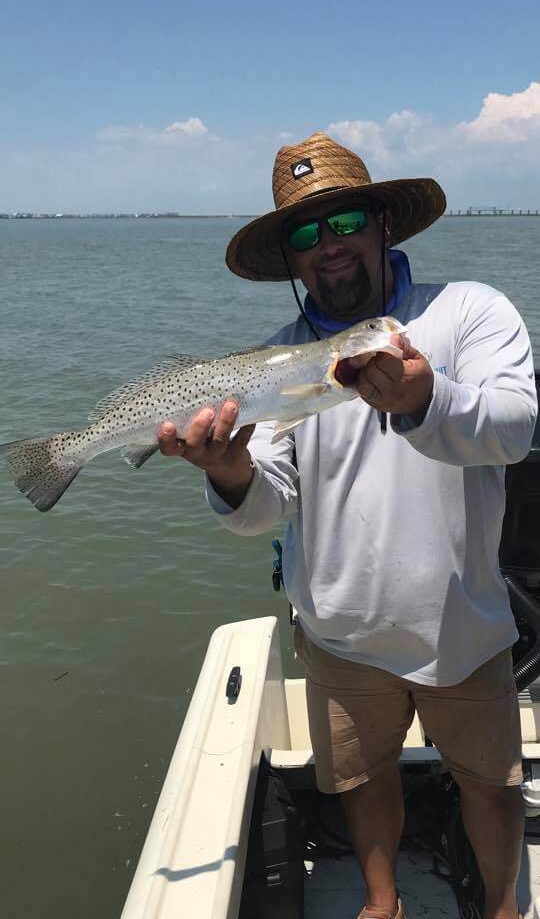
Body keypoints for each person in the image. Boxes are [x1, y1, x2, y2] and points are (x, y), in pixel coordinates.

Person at [158, 132, 538, 919]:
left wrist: (428, 401)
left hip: (462, 626)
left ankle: (503, 909)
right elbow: (269, 502)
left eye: (343, 224)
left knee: (492, 788)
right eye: (303, 235)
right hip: (336, 632)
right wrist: (229, 472)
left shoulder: (467, 312)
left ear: (382, 226)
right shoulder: (273, 369)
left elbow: (515, 427)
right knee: (361, 781)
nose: (326, 247)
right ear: (290, 261)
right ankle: (380, 902)